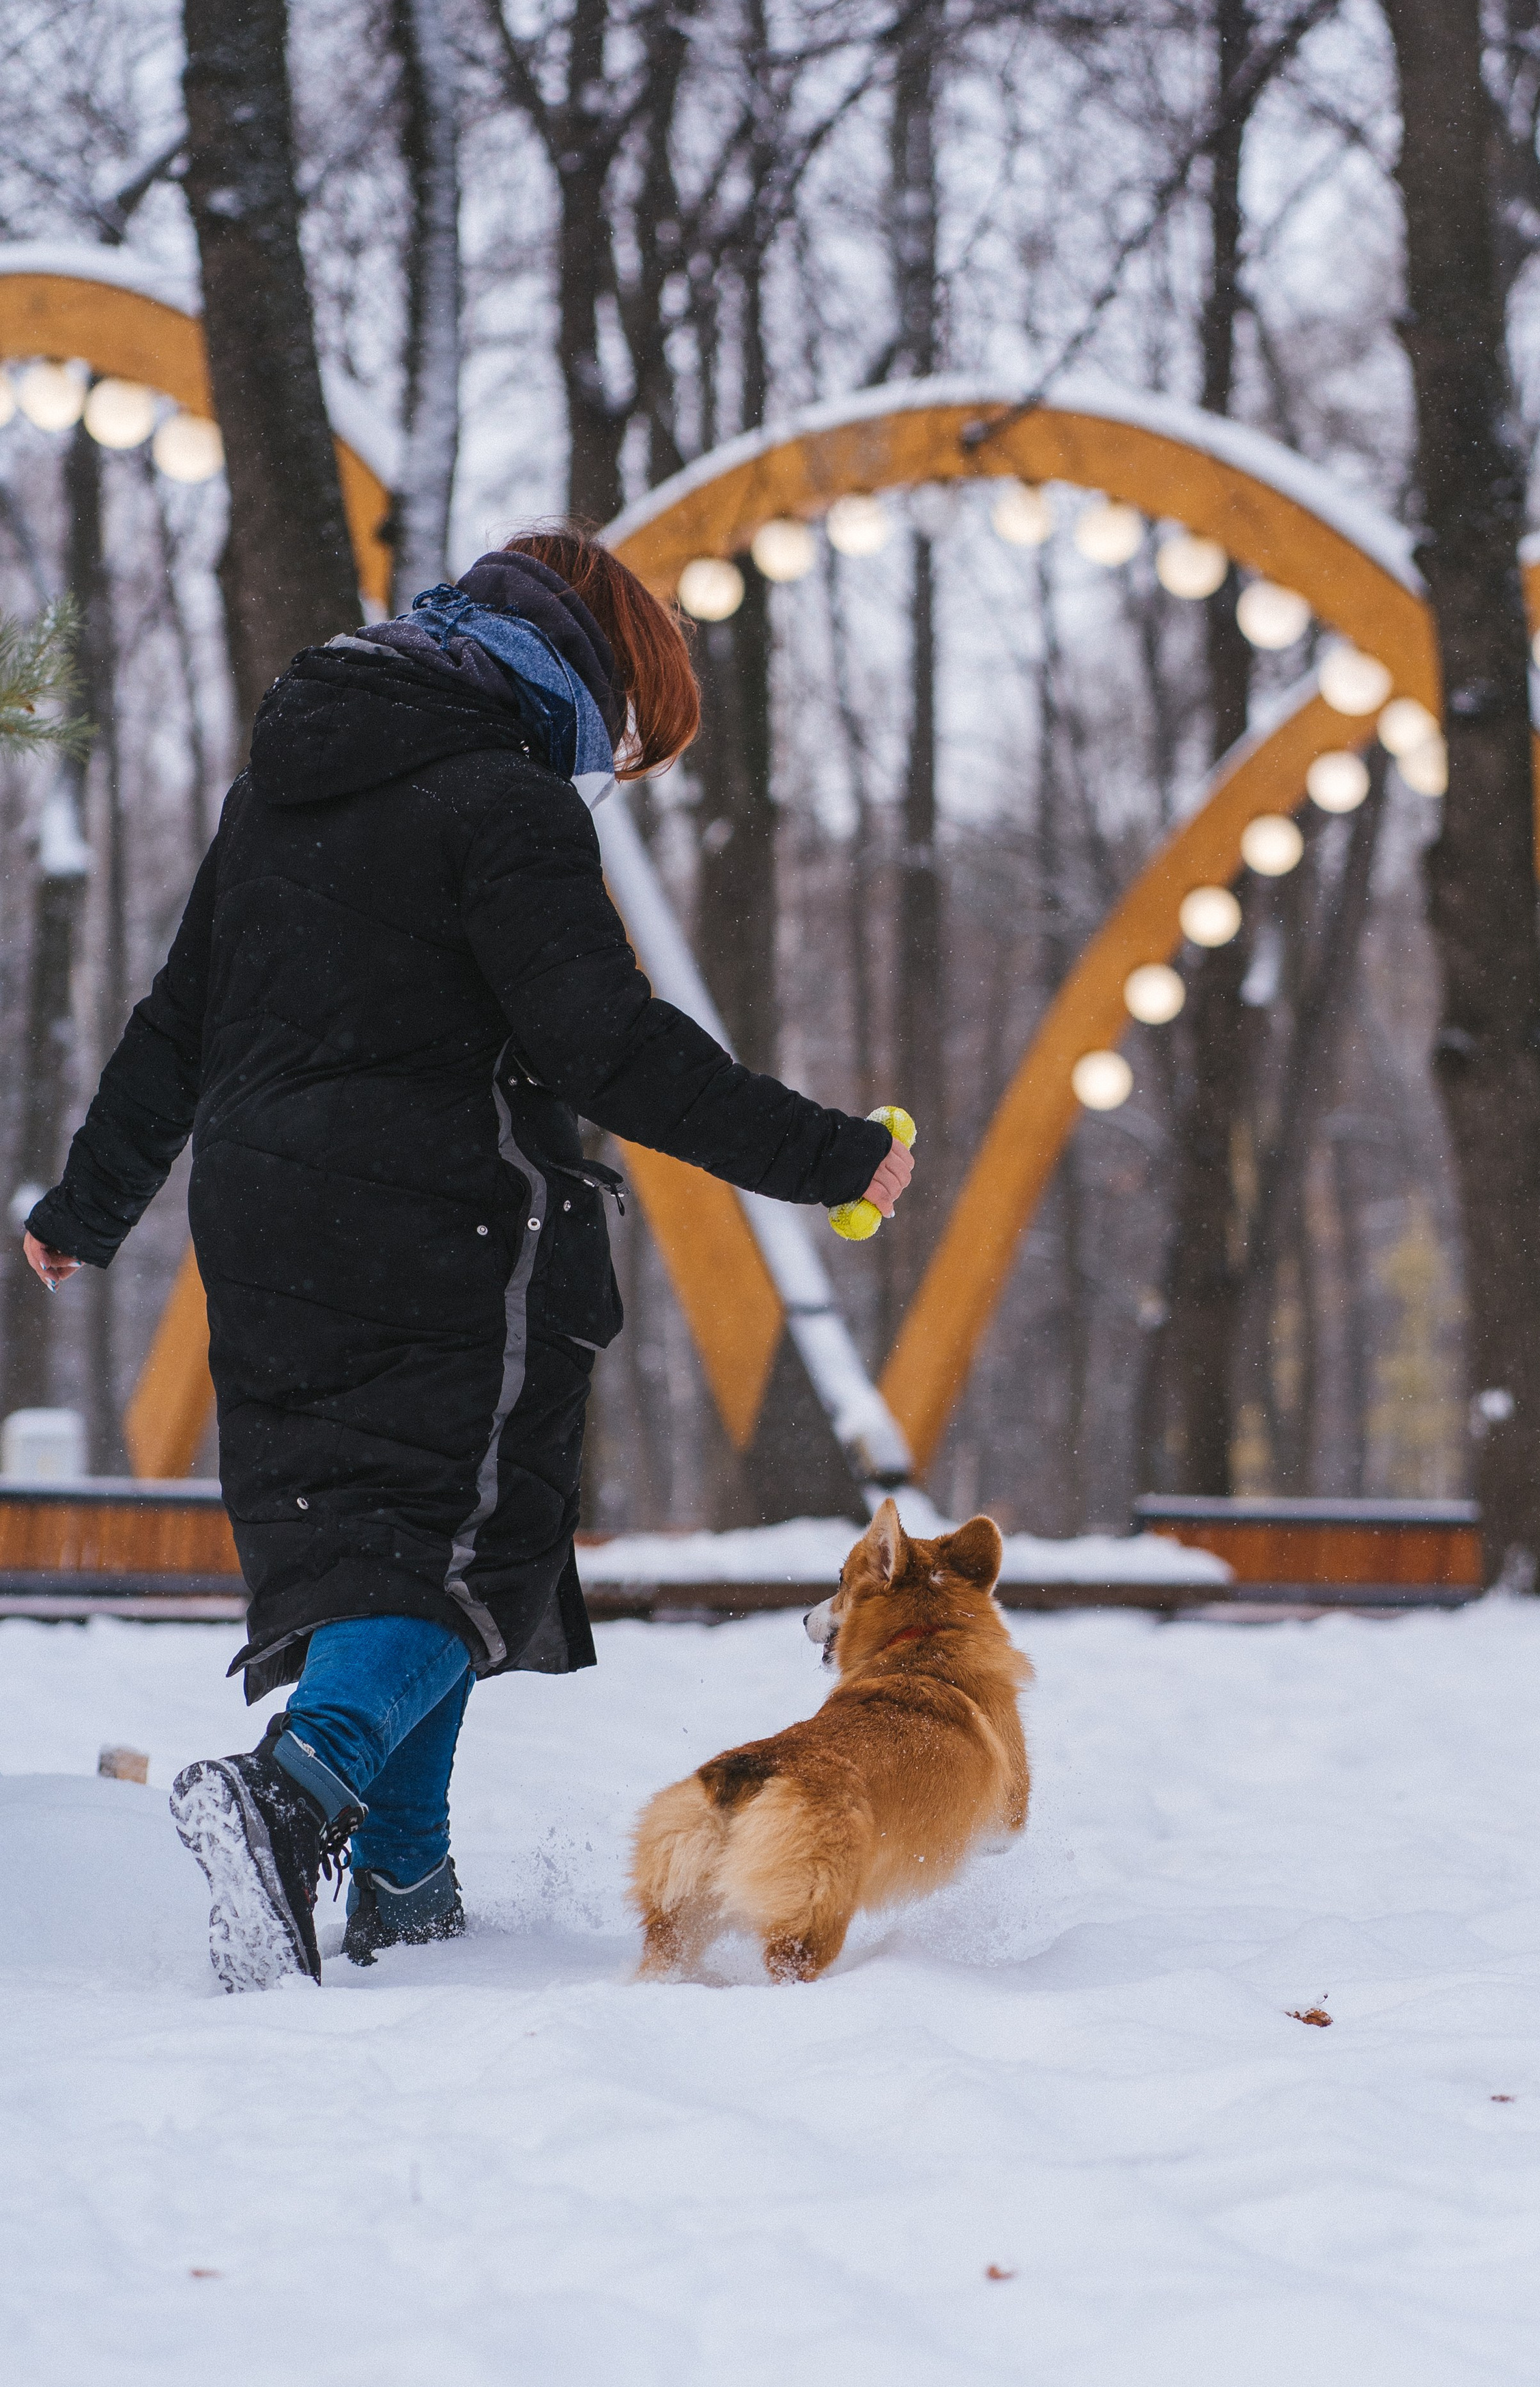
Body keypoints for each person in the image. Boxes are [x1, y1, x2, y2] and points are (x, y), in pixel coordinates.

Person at [22, 528, 912, 1992]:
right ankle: (291, 1792)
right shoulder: (503, 802)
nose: (608, 763)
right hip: (443, 1212)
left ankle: (404, 1885)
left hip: (259, 1221)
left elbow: (177, 1020)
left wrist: (87, 1205)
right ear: (587, 664)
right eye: (626, 729)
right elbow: (605, 1044)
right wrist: (824, 1156)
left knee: (379, 1532)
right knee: (471, 1541)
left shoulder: (282, 789)